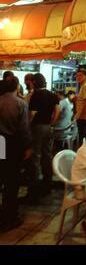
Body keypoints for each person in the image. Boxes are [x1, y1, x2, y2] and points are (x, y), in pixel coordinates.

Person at [0, 77, 32, 232]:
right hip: (12, 144)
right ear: (17, 86)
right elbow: (24, 129)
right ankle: (9, 217)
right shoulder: (20, 103)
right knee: (11, 181)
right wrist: (27, 147)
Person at [25, 73, 61, 200]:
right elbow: (58, 110)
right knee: (47, 155)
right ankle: (47, 183)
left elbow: (32, 114)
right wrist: (52, 122)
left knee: (35, 157)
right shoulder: (52, 95)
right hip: (49, 128)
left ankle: (33, 190)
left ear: (34, 82)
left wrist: (27, 125)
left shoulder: (36, 95)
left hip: (38, 127)